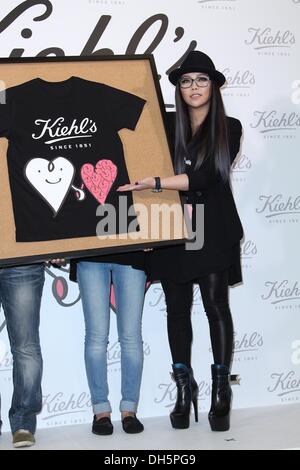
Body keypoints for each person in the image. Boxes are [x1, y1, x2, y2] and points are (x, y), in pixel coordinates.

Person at [118, 50, 243, 432]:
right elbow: (132, 136)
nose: (194, 87)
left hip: (213, 228)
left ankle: (221, 391)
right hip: (171, 227)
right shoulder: (166, 124)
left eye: (201, 80)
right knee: (176, 311)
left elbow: (208, 177)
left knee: (215, 307)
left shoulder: (230, 127)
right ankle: (184, 391)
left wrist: (156, 182)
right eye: (186, 81)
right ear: (177, 88)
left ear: (214, 86)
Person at [69, 250, 146, 435]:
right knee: (97, 336)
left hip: (132, 247)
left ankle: (129, 409)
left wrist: (151, 234)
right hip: (89, 248)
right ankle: (100, 410)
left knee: (131, 336)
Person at [0, 263, 45, 447]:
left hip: (22, 259)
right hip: (22, 260)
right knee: (26, 348)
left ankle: (23, 423)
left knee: (26, 347)